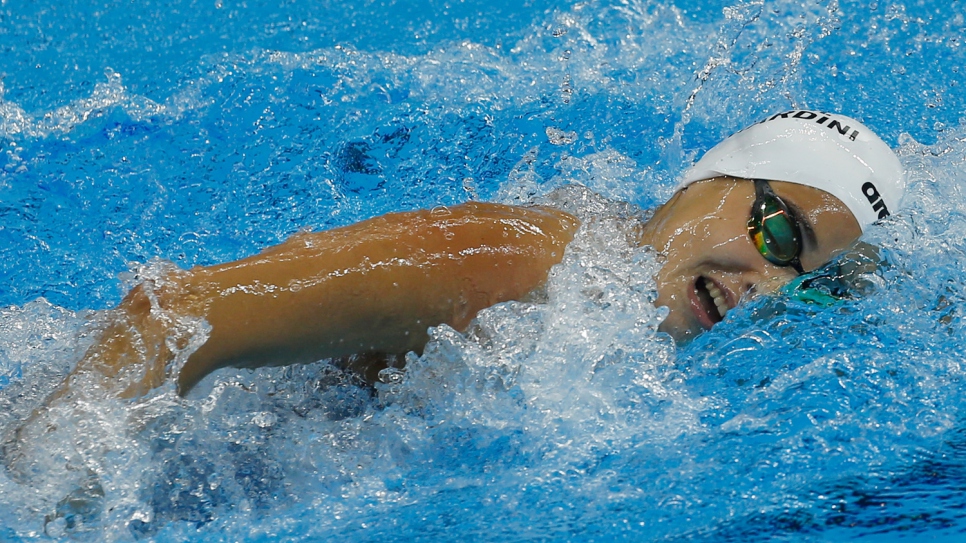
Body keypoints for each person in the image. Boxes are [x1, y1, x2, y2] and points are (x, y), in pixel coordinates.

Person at [47, 110, 908, 401]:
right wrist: (53, 499)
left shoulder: (619, 318)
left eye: (812, 283)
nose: (770, 285)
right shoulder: (518, 260)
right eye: (779, 233)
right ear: (704, 181)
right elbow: (170, 316)